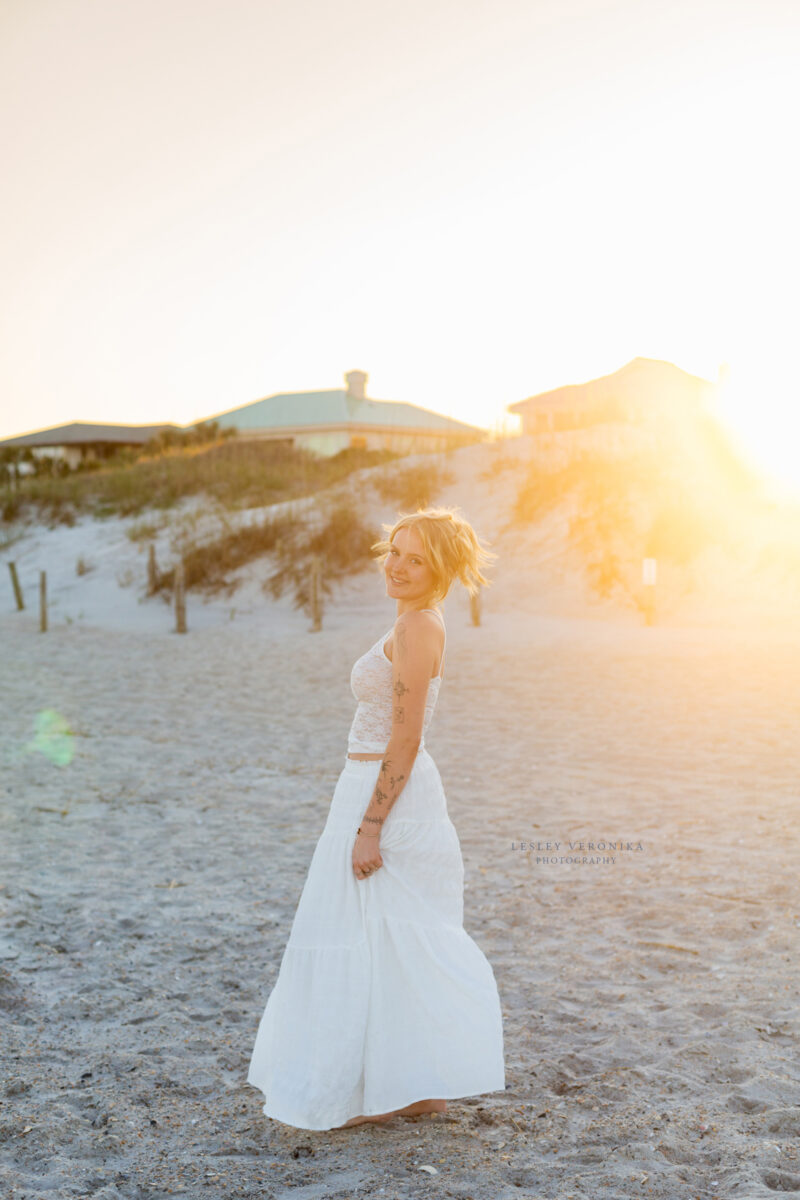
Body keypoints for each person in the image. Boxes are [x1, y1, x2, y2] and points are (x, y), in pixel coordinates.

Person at [247, 505, 506, 1130]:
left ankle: (397, 1090)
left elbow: (408, 735)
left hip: (387, 796)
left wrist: (371, 826)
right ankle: (411, 1087)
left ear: (440, 569)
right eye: (395, 551)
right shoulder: (411, 621)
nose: (398, 566)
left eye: (416, 559)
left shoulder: (420, 626)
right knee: (375, 934)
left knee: (380, 932)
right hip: (364, 783)